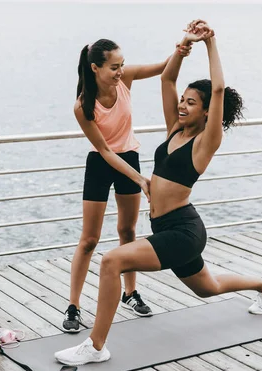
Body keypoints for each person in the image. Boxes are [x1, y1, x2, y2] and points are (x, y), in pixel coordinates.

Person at [55, 20, 262, 364]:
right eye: (183, 100)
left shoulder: (206, 142)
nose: (182, 105)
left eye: (191, 103)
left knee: (111, 262)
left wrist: (210, 43)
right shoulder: (175, 129)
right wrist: (184, 44)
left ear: (207, 111)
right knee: (209, 287)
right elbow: (166, 78)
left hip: (183, 230)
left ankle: (95, 347)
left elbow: (218, 89)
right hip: (168, 229)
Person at [63, 38, 193, 332]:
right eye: (114, 67)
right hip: (100, 163)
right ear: (95, 68)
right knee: (89, 240)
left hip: (129, 157)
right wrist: (139, 179)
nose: (120, 71)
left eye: (122, 65)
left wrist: (180, 50)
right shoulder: (83, 105)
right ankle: (73, 305)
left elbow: (163, 69)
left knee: (128, 231)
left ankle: (130, 293)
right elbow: (106, 151)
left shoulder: (126, 79)